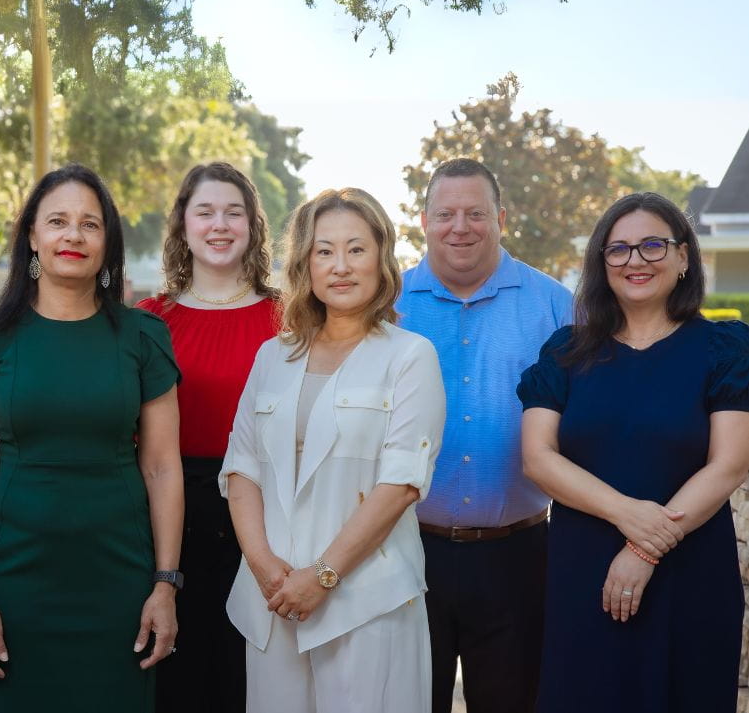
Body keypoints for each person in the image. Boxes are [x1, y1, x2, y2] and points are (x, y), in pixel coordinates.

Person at [0, 163, 184, 712]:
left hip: (121, 580)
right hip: (18, 582)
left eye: (89, 224)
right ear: (32, 235)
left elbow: (163, 467)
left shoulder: (144, 336)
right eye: (57, 221)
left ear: (108, 241)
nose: (73, 235)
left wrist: (165, 585)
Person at [518, 191, 749, 713]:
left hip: (690, 573)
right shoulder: (566, 351)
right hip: (584, 572)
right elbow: (538, 458)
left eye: (652, 245)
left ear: (684, 256)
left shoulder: (725, 349)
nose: (635, 261)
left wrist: (645, 549)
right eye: (618, 249)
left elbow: (730, 463)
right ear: (602, 263)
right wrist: (629, 517)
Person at [222, 187, 446, 713]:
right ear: (305, 264)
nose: (340, 266)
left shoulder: (410, 356)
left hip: (367, 598)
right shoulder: (272, 356)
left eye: (356, 249)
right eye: (324, 251)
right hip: (273, 597)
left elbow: (399, 486)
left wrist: (322, 577)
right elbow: (242, 468)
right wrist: (263, 566)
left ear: (382, 258)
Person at [396, 157, 572, 713]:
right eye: (445, 213)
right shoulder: (387, 305)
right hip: (405, 551)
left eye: (475, 212)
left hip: (519, 555)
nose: (460, 226)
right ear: (423, 220)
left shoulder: (556, 306)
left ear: (500, 216)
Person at [137, 162, 282, 713]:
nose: (219, 225)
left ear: (252, 226)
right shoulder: (149, 322)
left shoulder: (289, 319)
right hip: (172, 515)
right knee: (179, 681)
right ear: (183, 224)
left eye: (233, 212)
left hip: (269, 513)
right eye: (205, 212)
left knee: (253, 680)